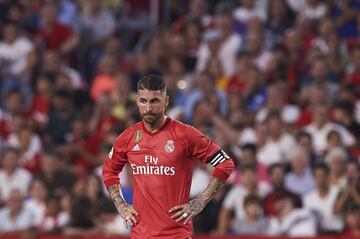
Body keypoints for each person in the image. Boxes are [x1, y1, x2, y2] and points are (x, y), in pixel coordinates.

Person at [102, 75, 234, 238]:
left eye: (155, 101)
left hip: (176, 235)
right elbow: (109, 170)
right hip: (140, 235)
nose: (148, 108)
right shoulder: (128, 137)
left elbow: (225, 163)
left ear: (166, 101)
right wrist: (121, 204)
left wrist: (199, 203)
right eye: (144, 101)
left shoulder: (185, 134)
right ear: (137, 101)